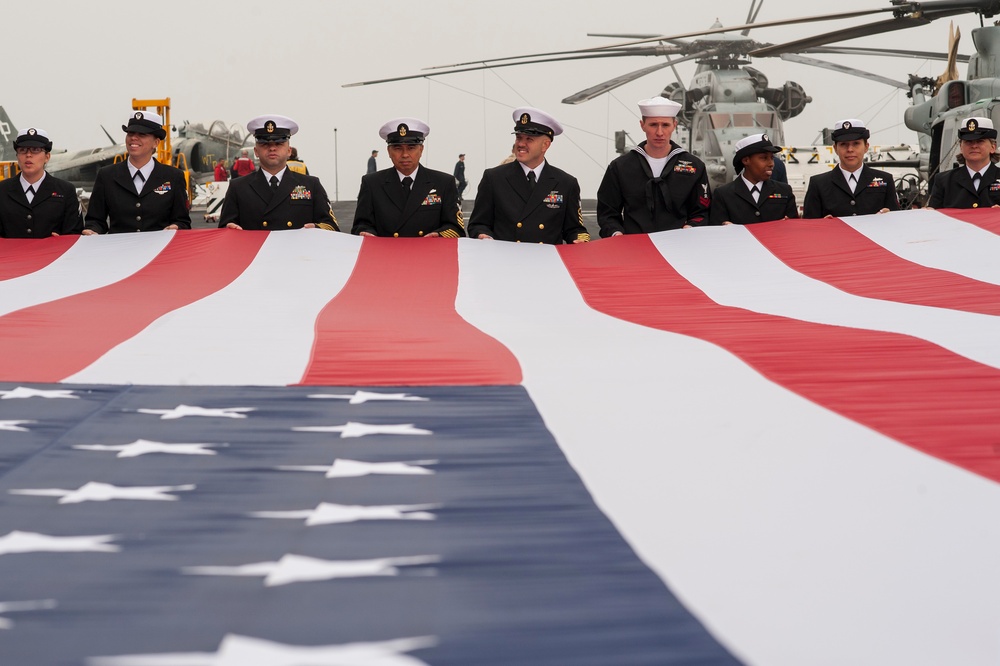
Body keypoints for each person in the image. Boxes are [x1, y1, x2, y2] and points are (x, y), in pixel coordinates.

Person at [468, 107, 589, 244]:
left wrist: (579, 240)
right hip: (505, 261)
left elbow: (575, 230)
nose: (520, 144)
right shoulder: (494, 178)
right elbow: (478, 224)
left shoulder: (566, 183)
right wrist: (483, 236)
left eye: (529, 139)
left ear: (545, 145)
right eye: (518, 137)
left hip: (547, 262)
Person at [597, 97, 710, 237]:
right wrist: (616, 233)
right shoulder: (620, 167)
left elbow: (701, 212)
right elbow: (607, 212)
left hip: (680, 246)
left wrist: (690, 228)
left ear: (674, 125)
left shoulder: (695, 167)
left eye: (665, 125)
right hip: (633, 247)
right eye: (653, 125)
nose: (659, 132)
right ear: (642, 125)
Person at [219, 114, 338, 231]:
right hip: (255, 249)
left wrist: (316, 229)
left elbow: (331, 226)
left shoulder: (311, 185)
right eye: (265, 143)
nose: (272, 148)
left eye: (279, 143)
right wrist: (229, 230)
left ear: (289, 151)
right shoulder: (238, 187)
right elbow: (223, 231)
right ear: (256, 151)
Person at [352, 118, 463, 238]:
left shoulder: (444, 183)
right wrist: (367, 234)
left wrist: (438, 235)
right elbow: (361, 225)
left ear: (421, 150)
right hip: (387, 254)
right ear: (389, 151)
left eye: (411, 148)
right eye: (398, 148)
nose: (405, 154)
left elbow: (456, 227)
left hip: (428, 254)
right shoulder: (372, 184)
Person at [83, 111, 191, 234]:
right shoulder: (107, 176)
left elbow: (183, 221)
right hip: (119, 250)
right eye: (130, 133)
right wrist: (93, 230)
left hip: (159, 250)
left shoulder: (173, 177)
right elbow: (95, 220)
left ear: (156, 142)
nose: (134, 138)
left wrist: (176, 227)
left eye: (142, 134)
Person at [802, 119, 899, 218]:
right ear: (835, 148)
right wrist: (822, 224)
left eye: (856, 144)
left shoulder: (885, 180)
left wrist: (889, 216)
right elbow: (808, 227)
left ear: (866, 147)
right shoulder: (818, 184)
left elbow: (896, 223)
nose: (850, 150)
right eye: (844, 144)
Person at [0, 128, 82, 238]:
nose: (28, 155)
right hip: (11, 254)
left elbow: (75, 233)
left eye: (35, 150)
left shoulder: (65, 190)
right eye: (23, 150)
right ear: (17, 156)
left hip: (52, 254)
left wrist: (62, 241)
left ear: (47, 157)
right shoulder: (3, 190)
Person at [709, 133, 797, 225]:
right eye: (764, 158)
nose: (771, 164)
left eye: (772, 158)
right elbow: (716, 231)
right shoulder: (723, 194)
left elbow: (794, 227)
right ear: (746, 160)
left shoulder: (784, 191)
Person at [927, 116, 1000, 209]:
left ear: (993, 147)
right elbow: (934, 216)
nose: (974, 146)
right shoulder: (944, 181)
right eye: (968, 142)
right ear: (961, 147)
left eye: (980, 141)